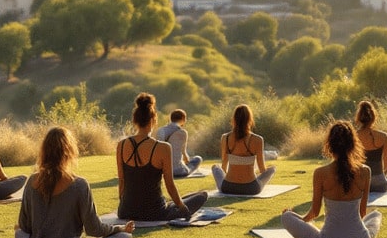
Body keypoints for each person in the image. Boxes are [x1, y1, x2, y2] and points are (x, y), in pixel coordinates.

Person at [15, 127, 134, 238]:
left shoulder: (32, 180)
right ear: (69, 152)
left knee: (19, 233)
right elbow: (94, 229)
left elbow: (24, 227)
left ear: (44, 152)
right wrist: (119, 229)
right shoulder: (79, 185)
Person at [280, 120, 381, 238]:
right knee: (376, 215)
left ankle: (290, 216)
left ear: (330, 146)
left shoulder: (320, 173)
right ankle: (365, 234)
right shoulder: (365, 171)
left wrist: (297, 218)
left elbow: (314, 213)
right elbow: (362, 213)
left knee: (286, 216)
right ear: (353, 145)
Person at [117, 93, 208, 221]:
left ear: (135, 120)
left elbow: (121, 180)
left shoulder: (121, 145)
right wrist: (183, 209)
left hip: (125, 211)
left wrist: (124, 205)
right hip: (155, 213)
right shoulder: (163, 148)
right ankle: (178, 203)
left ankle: (176, 203)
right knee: (202, 196)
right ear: (154, 120)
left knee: (179, 200)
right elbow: (169, 185)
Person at [211, 104, 276, 195]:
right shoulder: (258, 139)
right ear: (250, 119)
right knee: (272, 169)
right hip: (251, 188)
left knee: (215, 167)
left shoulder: (225, 138)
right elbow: (262, 169)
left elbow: (224, 167)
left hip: (228, 187)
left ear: (234, 119)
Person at [354, 100, 387, 192]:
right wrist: (380, 177)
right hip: (380, 185)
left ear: (359, 118)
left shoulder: (354, 136)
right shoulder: (383, 136)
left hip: (361, 185)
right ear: (373, 117)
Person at [155, 109, 202, 177]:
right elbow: (184, 153)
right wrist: (186, 161)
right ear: (183, 119)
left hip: (164, 170)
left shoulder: (160, 131)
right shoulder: (183, 132)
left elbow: (159, 151)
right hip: (179, 171)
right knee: (198, 158)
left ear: (171, 119)